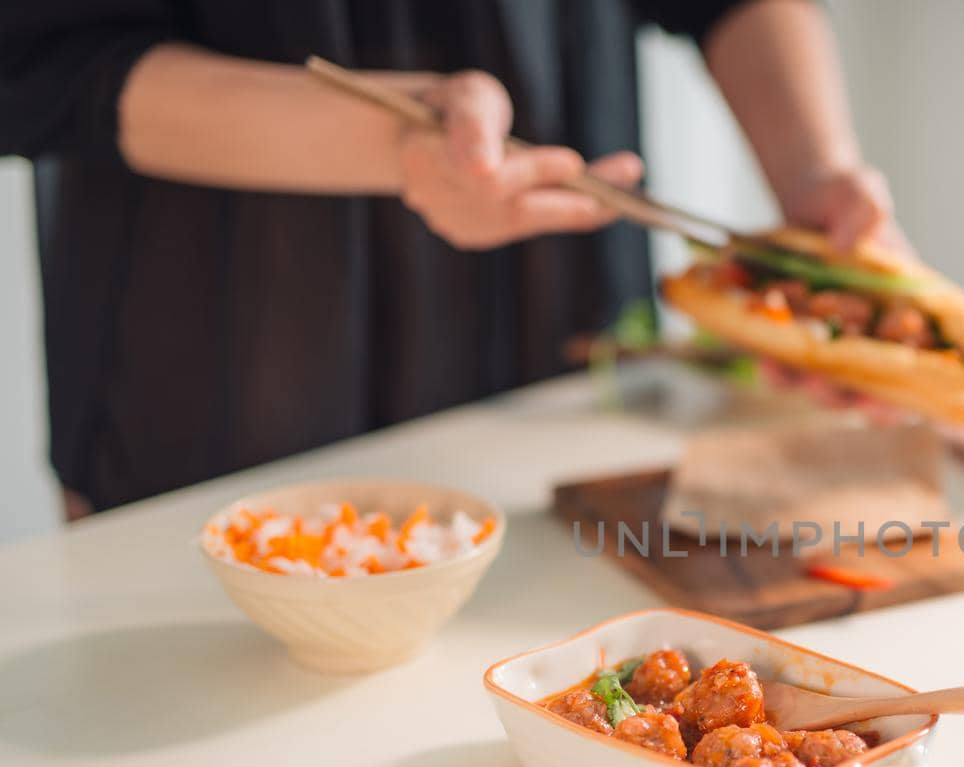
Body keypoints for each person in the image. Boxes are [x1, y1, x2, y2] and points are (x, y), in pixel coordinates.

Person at [0, 0, 897, 516]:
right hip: (214, 360)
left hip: (562, 353)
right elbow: (45, 58)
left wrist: (819, 171)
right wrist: (398, 145)